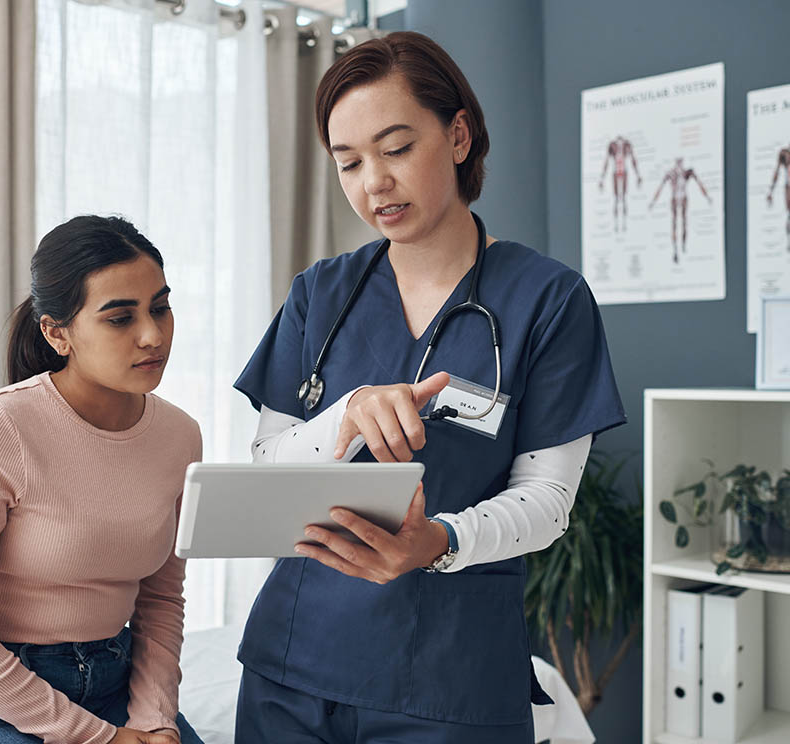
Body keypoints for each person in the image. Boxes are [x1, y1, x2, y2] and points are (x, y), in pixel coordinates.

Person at [232, 32, 626, 744]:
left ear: (459, 135)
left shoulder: (548, 299)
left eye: (395, 148)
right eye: (348, 162)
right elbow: (266, 467)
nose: (372, 183)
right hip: (292, 664)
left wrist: (438, 541)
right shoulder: (320, 294)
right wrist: (347, 416)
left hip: (452, 676)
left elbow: (548, 502)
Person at [0, 215, 205, 744]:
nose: (153, 335)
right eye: (119, 318)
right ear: (56, 332)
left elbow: (160, 600)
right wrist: (100, 738)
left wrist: (154, 721)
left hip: (115, 680)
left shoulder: (179, 436)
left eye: (160, 307)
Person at [649, 156, 712, 263]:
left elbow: (699, 183)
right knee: (674, 224)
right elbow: (660, 187)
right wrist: (653, 202)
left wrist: (707, 196)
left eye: (681, 162)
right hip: (675, 198)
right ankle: (675, 250)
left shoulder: (687, 172)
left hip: (683, 198)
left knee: (684, 222)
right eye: (678, 162)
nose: (679, 164)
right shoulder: (671, 173)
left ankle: (683, 246)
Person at [598, 135, 642, 232]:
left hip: (624, 172)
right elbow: (606, 162)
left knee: (624, 199)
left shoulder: (627, 145)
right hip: (615, 172)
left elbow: (633, 160)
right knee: (616, 199)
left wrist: (638, 175)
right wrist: (602, 178)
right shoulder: (612, 146)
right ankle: (616, 225)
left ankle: (624, 224)